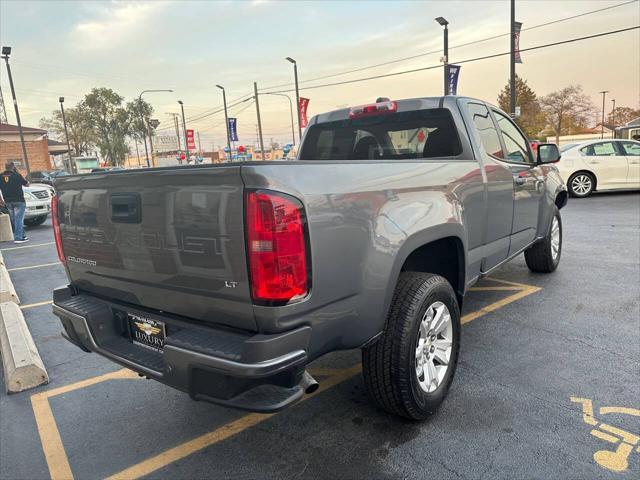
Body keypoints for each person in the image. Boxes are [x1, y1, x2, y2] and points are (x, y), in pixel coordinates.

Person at [0, 161, 29, 243]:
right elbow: (27, 184)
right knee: (19, 219)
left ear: (5, 167)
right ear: (13, 167)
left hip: (8, 201)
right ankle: (18, 238)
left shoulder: (0, 176)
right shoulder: (17, 175)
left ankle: (23, 236)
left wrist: (0, 199)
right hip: (19, 200)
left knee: (15, 219)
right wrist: (18, 172)